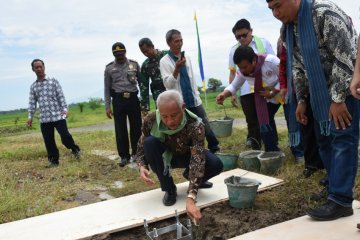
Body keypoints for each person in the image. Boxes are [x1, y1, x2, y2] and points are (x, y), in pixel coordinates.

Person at [267, 0, 358, 221]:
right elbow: (298, 66)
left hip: (347, 88)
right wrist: (301, 100)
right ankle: (333, 188)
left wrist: (337, 99)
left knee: (342, 139)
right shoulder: (288, 28)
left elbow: (346, 57)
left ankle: (341, 200)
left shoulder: (325, 14)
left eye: (278, 6)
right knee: (324, 140)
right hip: (319, 93)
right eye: (271, 9)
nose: (276, 13)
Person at [135, 90, 223, 225]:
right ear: (159, 112)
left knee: (216, 164)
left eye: (174, 115)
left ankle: (194, 180)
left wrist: (191, 198)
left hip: (188, 155)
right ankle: (169, 189)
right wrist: (142, 165)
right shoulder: (151, 120)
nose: (169, 121)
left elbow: (197, 158)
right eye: (164, 116)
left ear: (183, 107)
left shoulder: (195, 125)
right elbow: (142, 143)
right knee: (150, 143)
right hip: (165, 158)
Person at [160, 29, 220, 153]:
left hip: (193, 99)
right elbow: (168, 85)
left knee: (204, 124)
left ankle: (215, 148)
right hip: (179, 102)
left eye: (181, 40)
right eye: (176, 41)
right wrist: (176, 68)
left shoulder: (186, 56)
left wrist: (196, 93)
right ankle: (191, 152)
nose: (180, 43)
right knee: (185, 129)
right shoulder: (164, 61)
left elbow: (191, 78)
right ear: (169, 43)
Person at [217, 46, 281, 152]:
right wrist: (224, 94)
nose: (242, 70)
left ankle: (298, 152)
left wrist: (272, 92)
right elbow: (234, 85)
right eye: (240, 67)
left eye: (245, 67)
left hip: (284, 92)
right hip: (267, 97)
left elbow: (285, 77)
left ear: (254, 61)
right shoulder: (242, 71)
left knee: (292, 120)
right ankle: (272, 150)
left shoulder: (271, 61)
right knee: (265, 122)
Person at [277, 37, 324, 178]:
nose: (276, 14)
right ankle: (311, 164)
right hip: (300, 87)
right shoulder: (285, 37)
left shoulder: (316, 24)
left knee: (324, 126)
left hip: (322, 84)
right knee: (305, 124)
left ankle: (328, 163)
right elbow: (284, 64)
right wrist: (284, 86)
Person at [228, 19, 275, 150]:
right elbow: (233, 74)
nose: (241, 39)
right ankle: (255, 146)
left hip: (264, 89)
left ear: (251, 31)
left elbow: (274, 63)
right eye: (238, 37)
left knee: (267, 118)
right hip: (245, 90)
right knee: (251, 120)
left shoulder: (263, 42)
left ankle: (271, 146)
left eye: (244, 35)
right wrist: (232, 94)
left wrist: (275, 88)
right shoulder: (233, 50)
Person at [27, 59, 81, 167]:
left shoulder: (53, 81)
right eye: (36, 67)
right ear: (33, 69)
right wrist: (30, 116)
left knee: (65, 136)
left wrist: (65, 109)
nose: (39, 69)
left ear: (44, 67)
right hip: (44, 118)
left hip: (58, 115)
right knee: (48, 141)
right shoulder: (33, 86)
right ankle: (53, 161)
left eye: (40, 66)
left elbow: (60, 96)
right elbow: (32, 103)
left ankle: (75, 149)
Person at [104, 42, 142, 167]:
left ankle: (137, 154)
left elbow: (141, 83)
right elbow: (107, 88)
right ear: (113, 54)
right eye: (117, 54)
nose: (119, 56)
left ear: (125, 52)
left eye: (121, 53)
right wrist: (108, 106)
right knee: (120, 129)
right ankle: (124, 156)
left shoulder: (134, 64)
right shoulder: (109, 68)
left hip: (133, 99)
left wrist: (144, 102)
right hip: (118, 100)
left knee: (136, 127)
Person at [138, 38, 167, 115]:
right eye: (143, 52)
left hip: (173, 92)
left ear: (152, 46)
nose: (146, 54)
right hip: (159, 97)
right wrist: (144, 108)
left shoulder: (166, 55)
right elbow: (144, 86)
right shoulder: (145, 65)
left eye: (147, 51)